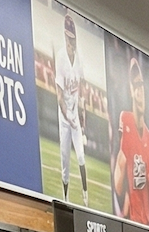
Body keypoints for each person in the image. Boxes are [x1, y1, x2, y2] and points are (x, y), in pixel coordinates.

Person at [114, 55, 149, 227]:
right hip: (129, 220)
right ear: (131, 90)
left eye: (141, 85)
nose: (139, 91)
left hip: (146, 224)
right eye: (135, 85)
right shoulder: (125, 119)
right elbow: (119, 176)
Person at [55, 11, 88, 207]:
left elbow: (82, 90)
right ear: (65, 36)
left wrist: (81, 118)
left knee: (81, 157)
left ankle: (85, 196)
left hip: (75, 115)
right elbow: (59, 97)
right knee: (65, 162)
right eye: (68, 38)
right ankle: (66, 198)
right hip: (64, 118)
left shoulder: (79, 57)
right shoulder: (60, 58)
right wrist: (68, 118)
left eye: (73, 38)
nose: (71, 42)